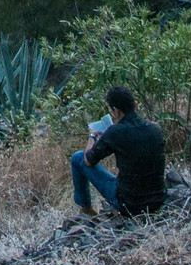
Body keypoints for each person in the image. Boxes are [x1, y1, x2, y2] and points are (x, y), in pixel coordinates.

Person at [70, 86, 165, 217]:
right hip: (158, 200)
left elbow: (88, 160)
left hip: (129, 204)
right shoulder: (156, 128)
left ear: (116, 111)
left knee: (78, 158)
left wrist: (92, 137)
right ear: (135, 105)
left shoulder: (115, 132)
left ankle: (86, 209)